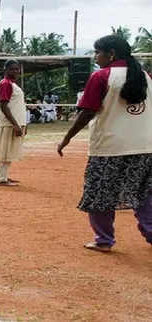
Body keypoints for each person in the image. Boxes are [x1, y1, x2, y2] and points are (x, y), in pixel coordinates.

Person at [58, 35, 152, 253]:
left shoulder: (101, 76)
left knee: (100, 194)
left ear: (111, 53)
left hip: (110, 147)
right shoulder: (146, 77)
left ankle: (104, 239)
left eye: (97, 52)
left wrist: (68, 137)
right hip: (145, 147)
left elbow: (87, 112)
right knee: (144, 194)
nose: (95, 57)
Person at [0, 60, 27, 187]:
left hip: (15, 122)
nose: (15, 71)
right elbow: (4, 106)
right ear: (6, 70)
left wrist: (22, 123)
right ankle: (1, 177)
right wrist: (15, 124)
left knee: (10, 150)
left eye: (17, 69)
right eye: (12, 69)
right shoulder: (5, 84)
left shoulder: (13, 85)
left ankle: (4, 175)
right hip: (9, 123)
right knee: (6, 150)